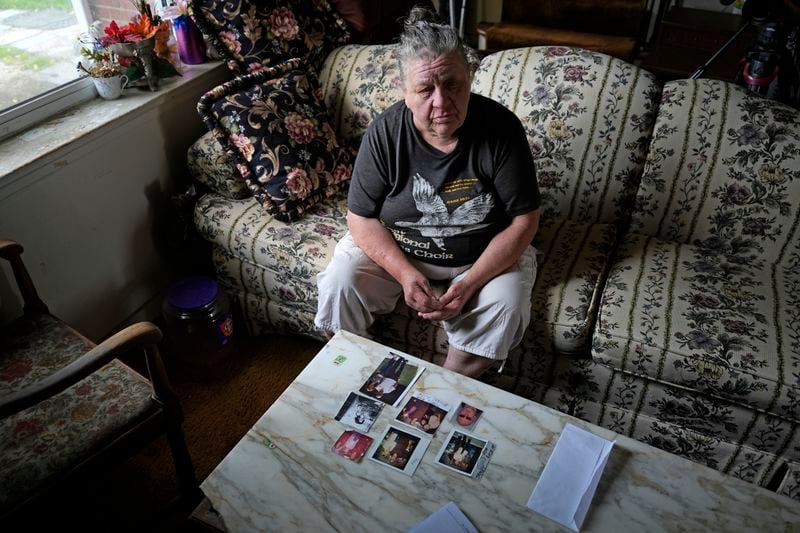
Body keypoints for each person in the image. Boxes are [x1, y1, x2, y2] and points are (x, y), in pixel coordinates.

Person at [314, 6, 540, 378]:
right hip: (400, 250)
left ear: (469, 79)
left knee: (507, 305)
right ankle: (360, 378)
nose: (440, 101)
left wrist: (468, 283)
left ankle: (440, 392)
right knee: (341, 282)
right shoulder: (386, 133)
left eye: (452, 84)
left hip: (478, 260)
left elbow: (524, 220)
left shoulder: (501, 130)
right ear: (405, 92)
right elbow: (360, 217)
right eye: (425, 89)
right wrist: (404, 274)